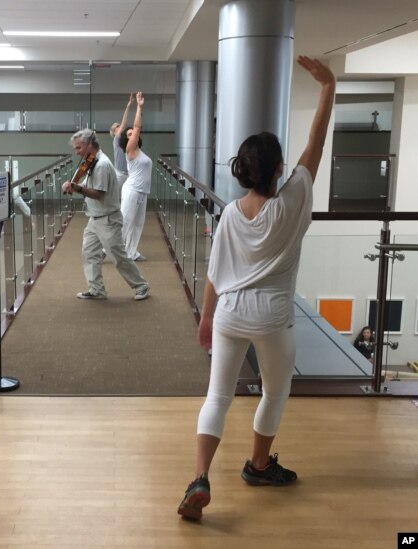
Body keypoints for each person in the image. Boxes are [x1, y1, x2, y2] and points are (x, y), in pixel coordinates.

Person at [177, 56, 336, 521]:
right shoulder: (292, 203)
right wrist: (327, 86)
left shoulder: (228, 214)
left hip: (228, 313)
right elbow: (316, 144)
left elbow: (214, 271)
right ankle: (258, 464)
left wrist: (206, 318)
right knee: (273, 391)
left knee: (217, 397)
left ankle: (200, 477)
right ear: (278, 169)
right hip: (272, 317)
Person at [62, 128, 150, 301]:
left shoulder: (102, 164)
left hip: (108, 219)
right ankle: (97, 289)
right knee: (89, 253)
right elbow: (81, 178)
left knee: (119, 257)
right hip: (94, 218)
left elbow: (99, 194)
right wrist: (73, 185)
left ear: (89, 145)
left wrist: (77, 188)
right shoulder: (90, 160)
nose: (76, 151)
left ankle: (141, 286)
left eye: (78, 148)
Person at [118, 91, 152, 261]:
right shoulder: (130, 151)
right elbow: (137, 127)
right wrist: (138, 106)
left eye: (134, 134)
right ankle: (107, 250)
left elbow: (137, 129)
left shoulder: (139, 151)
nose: (134, 135)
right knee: (125, 223)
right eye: (129, 134)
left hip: (142, 192)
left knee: (137, 225)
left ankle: (131, 252)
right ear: (127, 140)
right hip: (132, 190)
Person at [109, 93, 134, 188]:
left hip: (129, 173)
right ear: (114, 132)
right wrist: (128, 105)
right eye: (117, 128)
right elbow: (124, 122)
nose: (120, 128)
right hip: (119, 174)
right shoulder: (116, 139)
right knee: (114, 196)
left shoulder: (125, 139)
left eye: (120, 127)